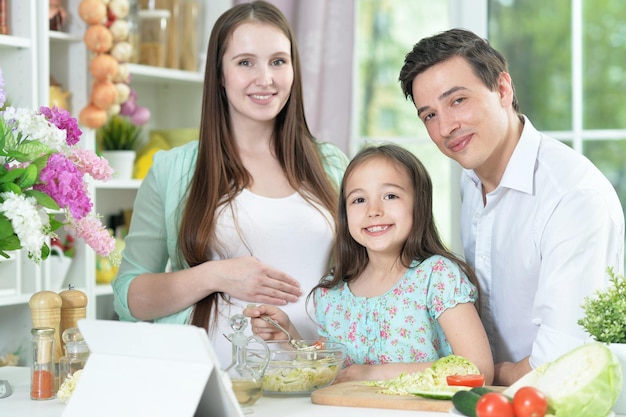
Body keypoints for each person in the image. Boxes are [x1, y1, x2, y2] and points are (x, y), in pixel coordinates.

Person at [112, 1, 349, 368]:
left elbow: (367, 275)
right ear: (220, 74)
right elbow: (129, 298)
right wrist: (216, 274)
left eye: (277, 61)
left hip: (314, 379)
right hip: (211, 381)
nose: (265, 79)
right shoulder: (174, 169)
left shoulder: (331, 165)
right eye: (245, 62)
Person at [398, 28, 625, 385]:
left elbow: (561, 363)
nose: (446, 127)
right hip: (493, 401)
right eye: (429, 115)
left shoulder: (574, 198)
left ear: (503, 89)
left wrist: (481, 372)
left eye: (458, 100)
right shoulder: (470, 180)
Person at [245, 144, 494, 384]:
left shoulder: (438, 277)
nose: (373, 210)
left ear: (419, 204)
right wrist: (288, 337)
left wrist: (371, 373)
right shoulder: (333, 293)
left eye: (390, 196)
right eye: (359, 200)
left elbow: (478, 370)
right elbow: (330, 373)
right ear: (344, 213)